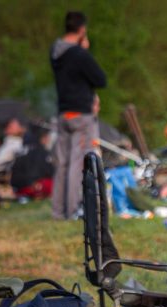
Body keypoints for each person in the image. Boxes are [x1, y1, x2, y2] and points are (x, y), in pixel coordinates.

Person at [49, 11, 106, 219]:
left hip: (63, 115)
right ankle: (73, 210)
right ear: (82, 29)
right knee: (77, 163)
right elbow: (100, 79)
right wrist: (84, 50)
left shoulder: (55, 52)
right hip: (81, 115)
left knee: (62, 164)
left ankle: (58, 211)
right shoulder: (79, 54)